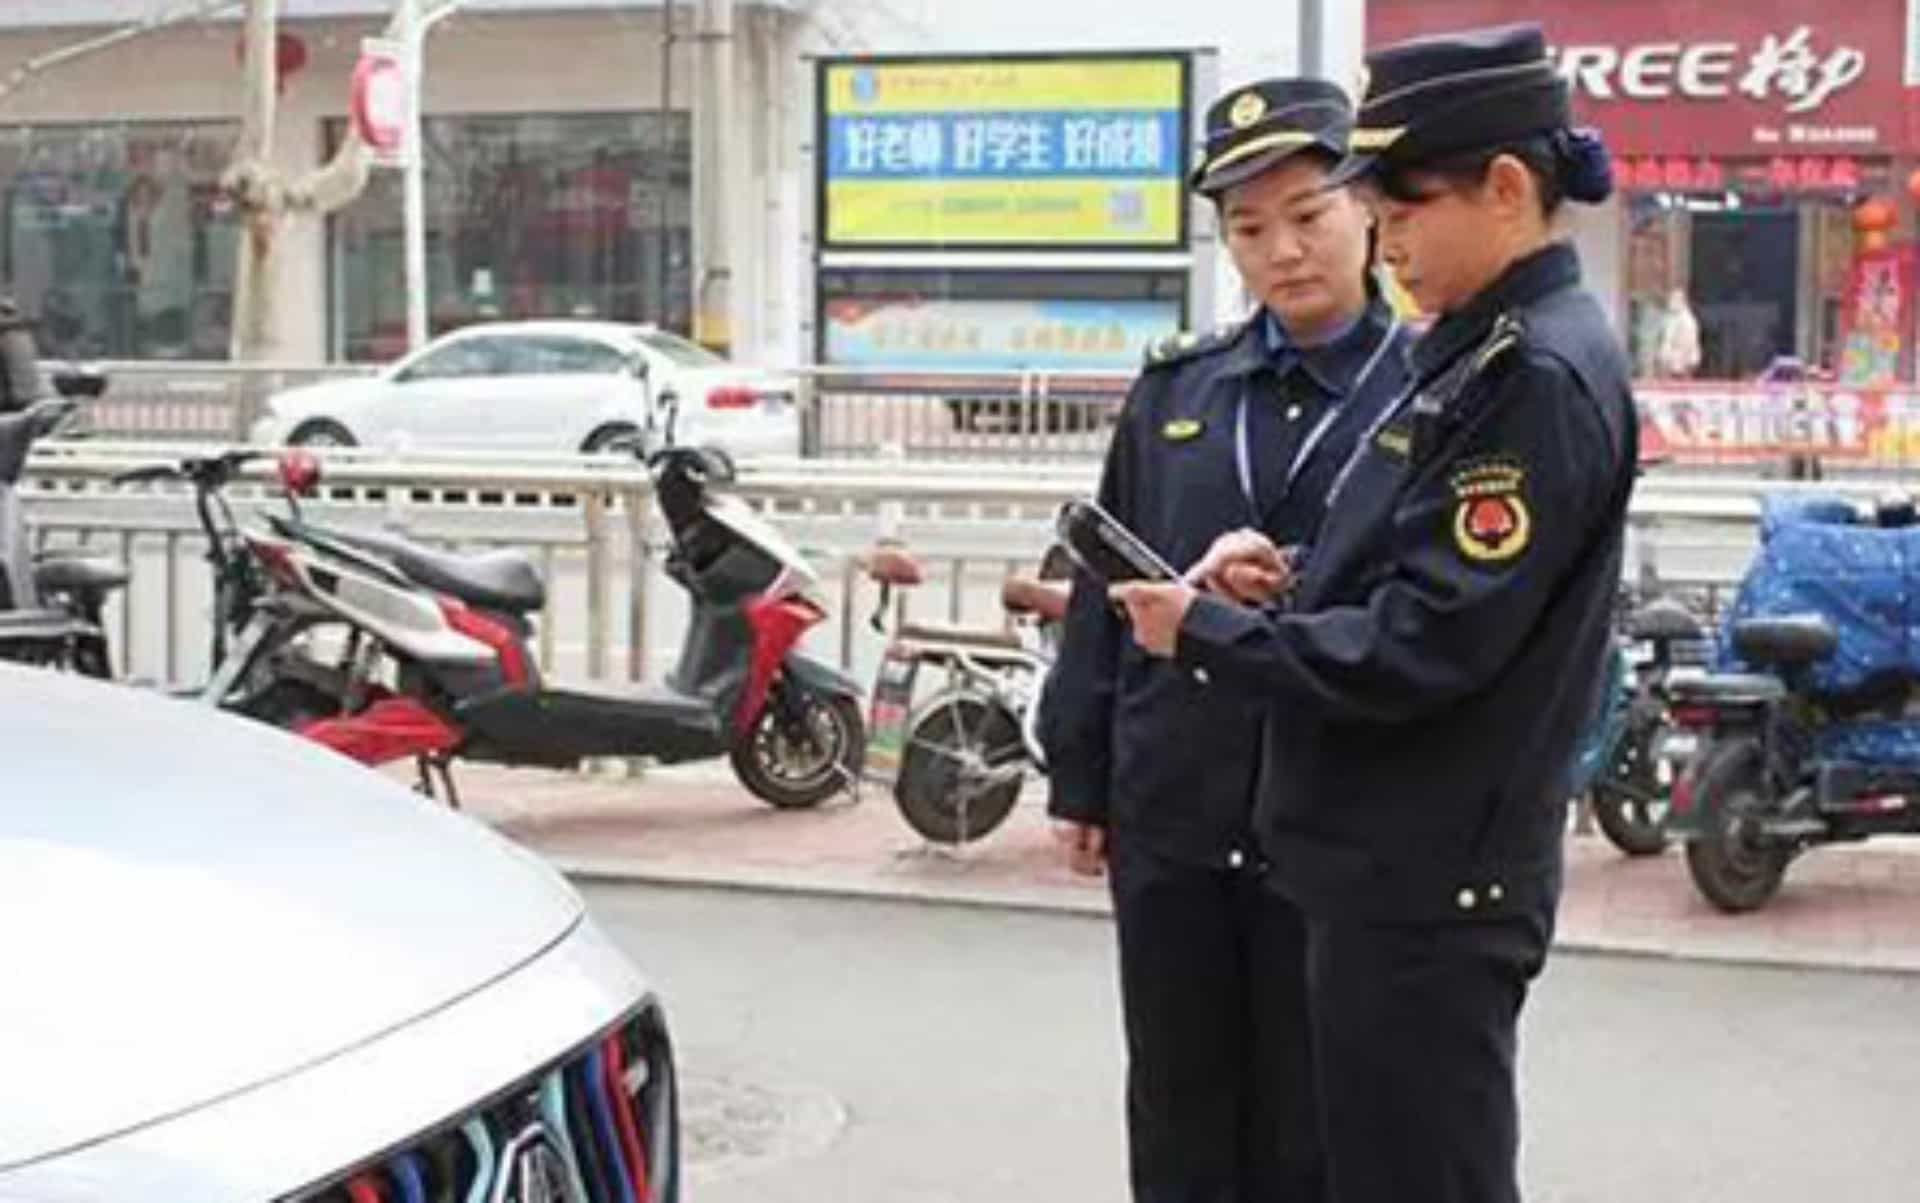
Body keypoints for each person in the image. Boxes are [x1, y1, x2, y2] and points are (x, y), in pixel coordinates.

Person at [1107, 24, 1637, 1203]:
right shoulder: (1480, 351)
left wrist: (1205, 631)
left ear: (1507, 189)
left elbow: (1426, 642)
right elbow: (1416, 564)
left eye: (1402, 207)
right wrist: (1292, 577)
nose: (1383, 237)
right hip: (1379, 866)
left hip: (1428, 877)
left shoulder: (1530, 374)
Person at [1041, 78, 1411, 1203]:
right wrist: (1082, 771)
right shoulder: (1180, 389)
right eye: (1249, 229)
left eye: (1308, 215)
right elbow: (1107, 585)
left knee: (1312, 1117)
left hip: (1335, 814)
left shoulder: (1429, 391)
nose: (1282, 251)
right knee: (1178, 1102)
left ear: (1367, 208)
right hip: (1175, 804)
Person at [1656, 287, 1702, 378]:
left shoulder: (1687, 320)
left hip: (1681, 363)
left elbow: (1688, 343)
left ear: (1683, 302)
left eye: (1675, 300)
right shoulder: (1670, 318)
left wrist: (1679, 362)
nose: (1671, 302)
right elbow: (1665, 339)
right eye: (1671, 299)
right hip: (1670, 362)